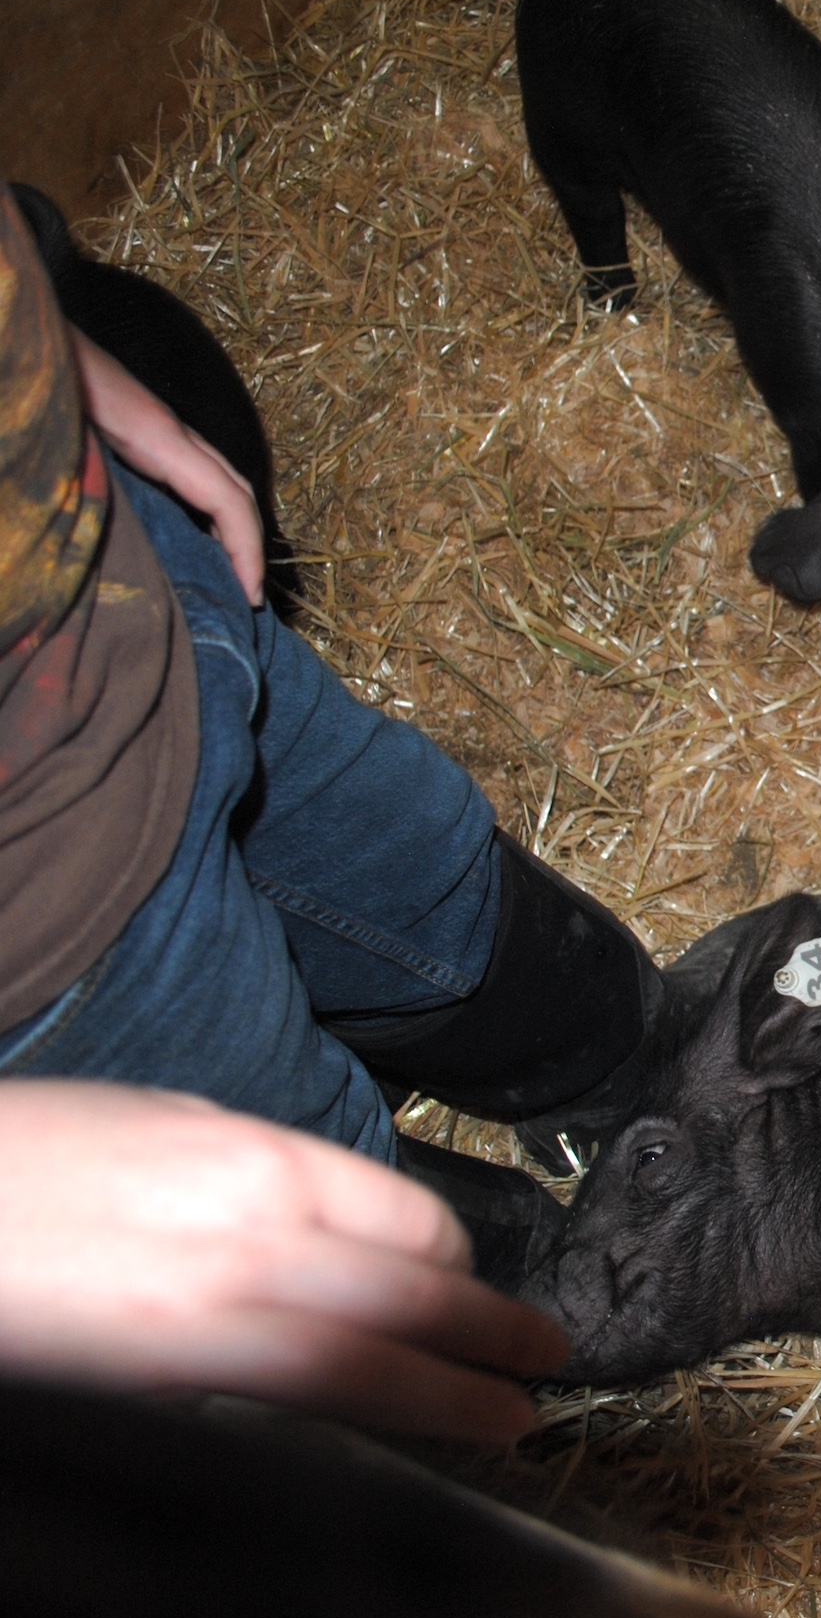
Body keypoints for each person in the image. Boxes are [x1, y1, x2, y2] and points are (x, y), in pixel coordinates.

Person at [0, 189, 638, 1430]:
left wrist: (52, 368)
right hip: (44, 931)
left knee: (423, 871)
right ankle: (555, 1318)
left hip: (134, 580)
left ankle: (619, 1073)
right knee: (325, 1196)